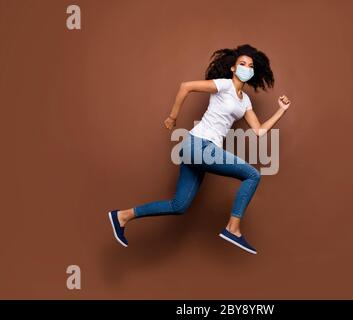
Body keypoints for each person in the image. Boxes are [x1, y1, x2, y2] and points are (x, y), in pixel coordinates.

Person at [108, 44, 291, 254]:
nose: (246, 68)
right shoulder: (223, 85)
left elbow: (258, 131)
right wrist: (172, 117)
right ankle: (233, 228)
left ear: (253, 72)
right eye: (242, 64)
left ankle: (122, 216)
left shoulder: (245, 101)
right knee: (252, 175)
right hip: (199, 146)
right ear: (233, 68)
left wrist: (281, 111)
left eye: (250, 66)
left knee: (179, 206)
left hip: (198, 150)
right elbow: (186, 86)